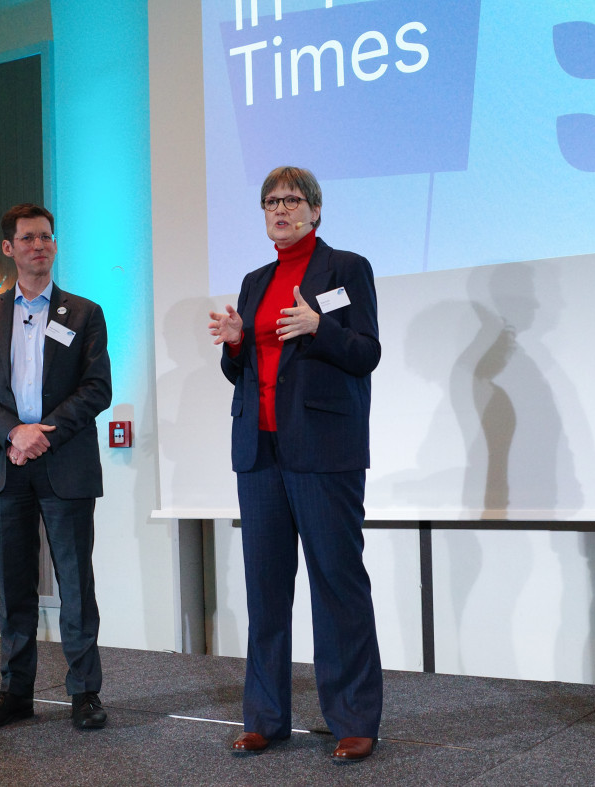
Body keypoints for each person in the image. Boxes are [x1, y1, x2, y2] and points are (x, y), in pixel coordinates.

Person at [208, 166, 383, 761]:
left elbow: (367, 353)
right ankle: (265, 715)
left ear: (315, 209)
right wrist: (236, 341)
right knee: (266, 589)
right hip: (259, 452)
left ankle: (353, 718)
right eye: (270, 202)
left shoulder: (346, 269)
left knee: (337, 584)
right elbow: (244, 370)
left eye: (291, 200)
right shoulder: (256, 280)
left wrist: (318, 326)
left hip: (323, 451)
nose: (280, 209)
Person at [0, 203, 112, 731]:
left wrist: (41, 433)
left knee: (75, 583)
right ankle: (15, 692)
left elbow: (97, 388)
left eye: (47, 237)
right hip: (4, 466)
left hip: (63, 464)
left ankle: (85, 693)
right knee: (14, 586)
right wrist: (12, 433)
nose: (39, 245)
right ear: (9, 248)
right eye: (28, 238)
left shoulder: (84, 313)